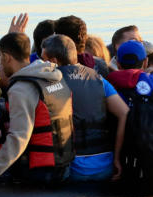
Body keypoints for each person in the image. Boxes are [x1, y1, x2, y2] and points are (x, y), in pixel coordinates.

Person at [0, 33, 73, 186]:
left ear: (6, 57)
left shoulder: (21, 89)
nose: (0, 63)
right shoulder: (53, 77)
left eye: (0, 58)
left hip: (40, 173)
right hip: (64, 166)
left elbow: (19, 138)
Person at [41, 34, 129, 182]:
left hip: (73, 168)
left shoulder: (50, 83)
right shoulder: (98, 78)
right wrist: (117, 158)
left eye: (43, 60)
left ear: (54, 61)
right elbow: (124, 112)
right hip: (106, 165)